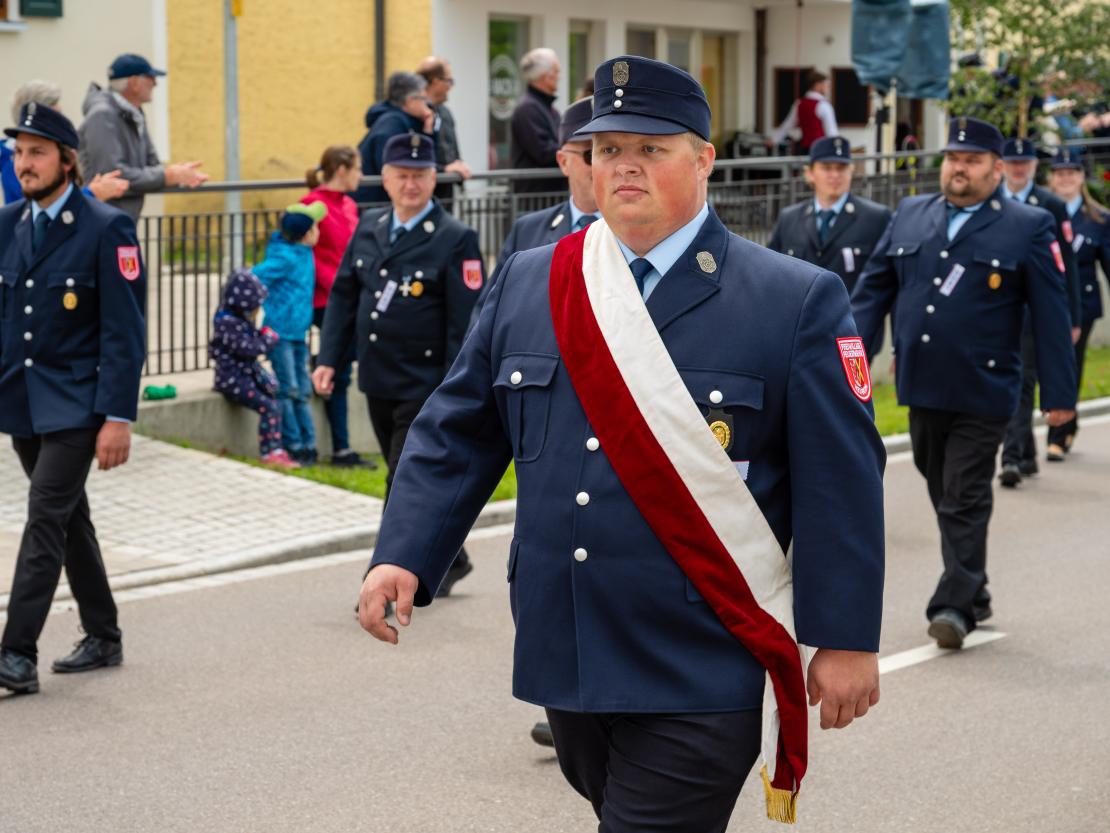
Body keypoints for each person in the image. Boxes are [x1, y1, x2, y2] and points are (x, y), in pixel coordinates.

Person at [356, 56, 885, 831]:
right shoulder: (534, 279)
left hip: (702, 656)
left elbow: (840, 483)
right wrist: (403, 549)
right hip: (564, 649)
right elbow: (457, 429)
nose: (624, 166)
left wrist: (843, 638)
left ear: (703, 160)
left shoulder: (792, 299)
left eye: (651, 147)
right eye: (607, 149)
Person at [851, 117, 1077, 650]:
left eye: (972, 160)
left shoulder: (1028, 225)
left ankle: (953, 605)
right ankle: (974, 589)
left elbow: (1050, 313)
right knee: (939, 488)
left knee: (963, 495)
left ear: (997, 169)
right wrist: (848, 358)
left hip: (985, 389)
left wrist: (1060, 397)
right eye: (953, 158)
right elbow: (870, 292)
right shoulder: (911, 213)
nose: (959, 168)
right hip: (921, 384)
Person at [0, 103, 146, 695]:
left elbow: (124, 329)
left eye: (37, 152)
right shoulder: (8, 222)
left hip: (79, 404)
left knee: (43, 518)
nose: (25, 163)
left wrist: (118, 416)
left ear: (67, 160)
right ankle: (104, 634)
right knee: (68, 519)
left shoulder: (105, 226)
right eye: (19, 153)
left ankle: (15, 652)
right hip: (23, 402)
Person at [313, 133, 485, 598]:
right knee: (407, 475)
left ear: (434, 179)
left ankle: (384, 579)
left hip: (426, 383)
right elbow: (345, 297)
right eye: (402, 176)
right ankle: (455, 556)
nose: (411, 185)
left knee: (400, 479)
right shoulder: (368, 226)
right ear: (385, 180)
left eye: (420, 176)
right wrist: (330, 358)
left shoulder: (455, 238)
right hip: (378, 376)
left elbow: (465, 322)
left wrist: (457, 385)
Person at [997, 137, 1082, 485]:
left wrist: (1071, 318)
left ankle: (1011, 457)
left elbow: (1067, 267)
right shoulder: (992, 201)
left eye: (1025, 162)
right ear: (1002, 165)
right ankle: (1027, 452)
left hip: (1034, 311)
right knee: (1010, 380)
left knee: (1023, 380)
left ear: (1034, 166)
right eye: (1012, 162)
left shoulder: (1049, 206)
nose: (1018, 168)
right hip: (997, 310)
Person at [474, 95, 598, 329]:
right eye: (590, 155)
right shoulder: (528, 231)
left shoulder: (641, 233)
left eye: (611, 150)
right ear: (563, 162)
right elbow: (488, 315)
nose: (603, 165)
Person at [303, 145, 374, 467]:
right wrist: (336, 286)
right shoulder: (312, 205)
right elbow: (305, 255)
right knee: (341, 370)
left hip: (350, 299)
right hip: (323, 301)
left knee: (344, 369)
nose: (362, 175)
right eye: (358, 168)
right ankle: (342, 450)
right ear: (342, 169)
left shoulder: (349, 205)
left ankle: (343, 449)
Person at [78, 54, 208, 220]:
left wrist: (178, 173)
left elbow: (151, 163)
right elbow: (112, 176)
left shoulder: (133, 112)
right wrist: (168, 176)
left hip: (118, 219)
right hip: (100, 222)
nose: (155, 83)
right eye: (150, 77)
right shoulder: (103, 115)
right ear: (134, 83)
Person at [1046, 146, 1110, 455]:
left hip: (1082, 304)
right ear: (1051, 178)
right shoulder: (1040, 214)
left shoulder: (1098, 218)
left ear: (1082, 178)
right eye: (1060, 173)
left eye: (1072, 173)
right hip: (1044, 302)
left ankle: (1060, 433)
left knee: (1070, 365)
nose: (1066, 178)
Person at [767, 135, 892, 292]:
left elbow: (888, 281)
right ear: (810, 173)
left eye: (841, 168)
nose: (835, 175)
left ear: (851, 171)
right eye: (826, 168)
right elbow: (772, 273)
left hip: (852, 314)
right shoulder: (789, 219)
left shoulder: (876, 218)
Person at [253, 203, 326, 466]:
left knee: (303, 389)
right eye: (315, 227)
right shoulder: (284, 257)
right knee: (288, 389)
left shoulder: (304, 252)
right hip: (280, 334)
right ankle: (293, 444)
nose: (318, 230)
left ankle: (309, 445)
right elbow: (254, 277)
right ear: (306, 234)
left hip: (298, 333)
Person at [208, 267, 297, 469]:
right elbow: (248, 348)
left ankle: (277, 448)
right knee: (269, 406)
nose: (257, 312)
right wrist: (268, 339)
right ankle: (270, 452)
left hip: (245, 376)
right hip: (232, 380)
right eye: (254, 307)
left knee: (275, 397)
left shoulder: (237, 320)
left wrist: (262, 335)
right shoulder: (226, 322)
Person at [4, 80, 130, 205]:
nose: (23, 162)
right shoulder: (12, 160)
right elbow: (39, 206)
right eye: (55, 116)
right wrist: (93, 193)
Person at [355, 72, 434, 205]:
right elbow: (397, 164)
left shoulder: (402, 121)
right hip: (372, 202)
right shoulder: (391, 125)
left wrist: (428, 130)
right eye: (423, 99)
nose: (427, 105)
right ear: (410, 101)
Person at [415, 56, 471, 202]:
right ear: (435, 81)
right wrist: (443, 170)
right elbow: (416, 154)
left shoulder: (445, 113)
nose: (451, 86)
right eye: (449, 81)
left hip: (445, 194)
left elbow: (453, 150)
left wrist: (459, 165)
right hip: (423, 195)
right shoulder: (414, 113)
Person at [509, 47, 564, 194]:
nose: (559, 76)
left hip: (547, 196)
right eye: (556, 71)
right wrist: (573, 154)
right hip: (534, 198)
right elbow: (544, 152)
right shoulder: (527, 109)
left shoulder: (547, 109)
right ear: (545, 76)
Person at [767, 70, 838, 155]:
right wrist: (837, 150)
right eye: (827, 85)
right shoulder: (824, 105)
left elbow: (787, 125)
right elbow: (831, 132)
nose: (828, 89)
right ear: (818, 85)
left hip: (804, 150)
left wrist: (774, 140)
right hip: (821, 151)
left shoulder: (799, 103)